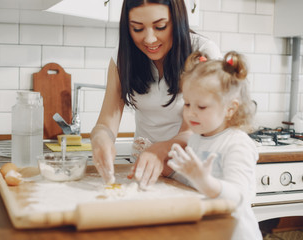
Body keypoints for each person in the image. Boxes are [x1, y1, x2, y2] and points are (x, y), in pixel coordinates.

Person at [90, 0, 221, 188]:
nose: (149, 39)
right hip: (149, 172)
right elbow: (106, 122)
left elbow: (191, 131)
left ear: (177, 20)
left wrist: (159, 150)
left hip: (196, 174)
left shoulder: (202, 52)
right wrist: (100, 138)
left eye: (160, 27)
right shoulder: (122, 57)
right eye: (137, 29)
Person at [167, 51, 262, 240]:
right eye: (187, 104)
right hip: (208, 230)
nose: (191, 113)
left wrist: (206, 182)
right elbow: (192, 183)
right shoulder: (197, 137)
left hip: (235, 233)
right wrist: (171, 172)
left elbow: (238, 197)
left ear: (230, 108)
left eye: (201, 107)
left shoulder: (237, 144)